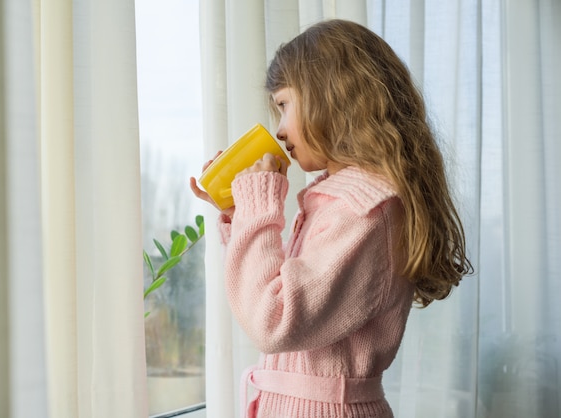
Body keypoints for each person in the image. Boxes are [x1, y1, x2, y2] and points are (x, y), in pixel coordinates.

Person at [190, 19, 473, 418]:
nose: (279, 130)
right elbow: (286, 287)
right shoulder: (342, 203)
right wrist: (242, 216)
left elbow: (274, 319)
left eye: (284, 105)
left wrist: (258, 209)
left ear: (334, 95)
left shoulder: (366, 212)